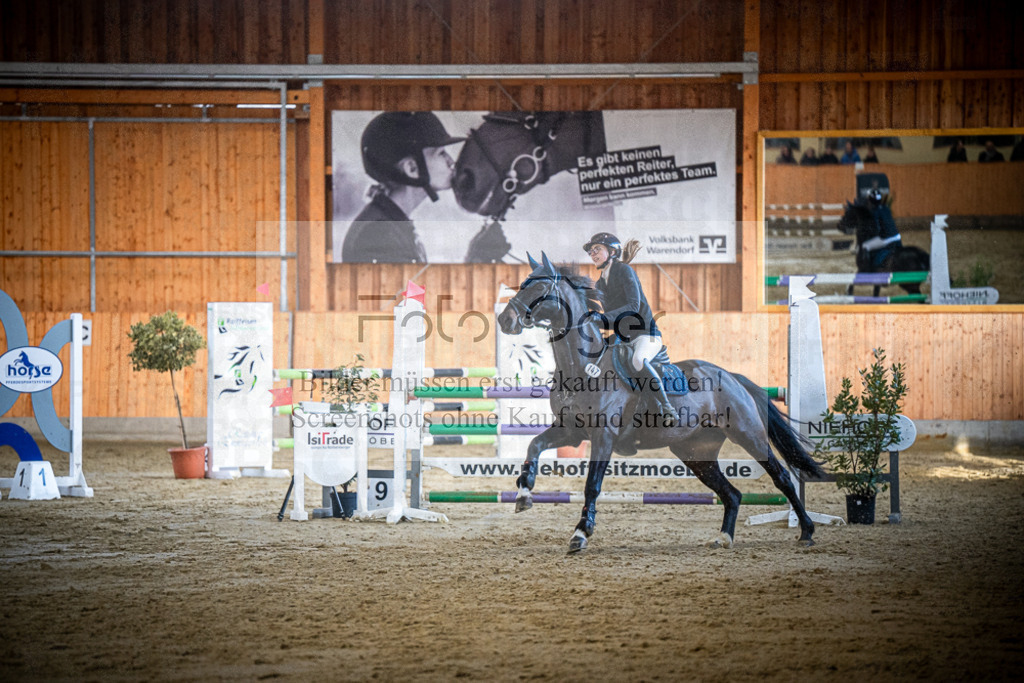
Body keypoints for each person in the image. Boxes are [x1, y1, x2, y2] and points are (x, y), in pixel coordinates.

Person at [583, 233, 677, 453]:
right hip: (623, 337)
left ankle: (666, 407)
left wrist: (602, 319)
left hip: (646, 333)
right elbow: (609, 315)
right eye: (591, 251)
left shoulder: (624, 271)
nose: (593, 254)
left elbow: (633, 306)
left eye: (597, 249)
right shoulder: (601, 281)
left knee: (638, 360)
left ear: (612, 251)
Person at [341, 112, 464, 263]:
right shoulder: (380, 235)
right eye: (441, 153)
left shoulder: (390, 224)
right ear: (412, 169)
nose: (451, 162)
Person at [857, 188, 903, 269]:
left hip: (886, 239)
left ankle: (866, 269)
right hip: (897, 236)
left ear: (870, 201)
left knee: (865, 246)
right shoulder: (886, 208)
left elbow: (876, 229)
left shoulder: (874, 212)